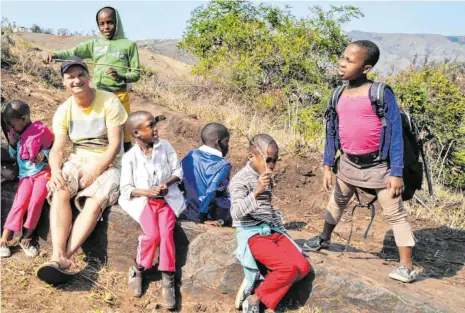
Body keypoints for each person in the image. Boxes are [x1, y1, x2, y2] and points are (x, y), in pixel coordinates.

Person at [304, 40, 417, 283]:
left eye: (350, 61)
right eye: (343, 57)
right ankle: (324, 238)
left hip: (379, 166)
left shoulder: (380, 93)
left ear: (366, 68)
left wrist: (396, 172)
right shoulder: (338, 94)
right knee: (337, 200)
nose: (342, 63)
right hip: (347, 163)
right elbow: (331, 131)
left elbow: (395, 133)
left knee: (395, 213)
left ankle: (407, 265)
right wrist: (327, 164)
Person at [36, 56, 127, 285]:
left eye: (80, 75)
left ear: (89, 76)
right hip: (79, 158)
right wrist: (55, 170)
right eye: (70, 77)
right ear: (63, 82)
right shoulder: (64, 110)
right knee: (59, 189)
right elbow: (57, 148)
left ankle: (67, 256)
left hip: (109, 161)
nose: (76, 81)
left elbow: (115, 145)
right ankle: (57, 255)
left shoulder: (109, 102)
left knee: (95, 200)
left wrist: (97, 169)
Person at [230, 134, 311, 313]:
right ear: (252, 157)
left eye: (274, 160)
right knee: (287, 269)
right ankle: (254, 299)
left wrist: (286, 238)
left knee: (303, 267)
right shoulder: (240, 180)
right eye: (268, 160)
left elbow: (269, 210)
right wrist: (256, 192)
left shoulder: (266, 176)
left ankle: (264, 282)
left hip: (271, 230)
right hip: (252, 232)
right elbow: (235, 213)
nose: (272, 166)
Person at [41, 6, 140, 152]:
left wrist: (121, 76)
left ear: (117, 22)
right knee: (101, 133)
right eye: (102, 23)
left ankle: (126, 166)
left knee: (123, 135)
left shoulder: (129, 45)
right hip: (98, 96)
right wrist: (53, 55)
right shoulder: (94, 44)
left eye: (110, 22)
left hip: (120, 96)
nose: (106, 27)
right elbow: (73, 52)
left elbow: (136, 74)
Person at [119, 111, 184, 309]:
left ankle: (168, 279)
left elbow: (177, 171)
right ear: (137, 133)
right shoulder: (130, 157)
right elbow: (126, 188)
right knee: (153, 235)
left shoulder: (165, 147)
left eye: (155, 124)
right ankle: (138, 268)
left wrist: (166, 184)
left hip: (166, 201)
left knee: (166, 234)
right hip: (143, 202)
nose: (156, 129)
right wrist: (147, 192)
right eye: (150, 126)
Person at [0, 100, 53, 258]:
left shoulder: (41, 130)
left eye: (12, 124)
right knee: (20, 202)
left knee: (36, 201)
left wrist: (45, 154)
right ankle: (4, 239)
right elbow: (12, 154)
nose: (10, 128)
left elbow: (53, 147)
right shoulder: (14, 133)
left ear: (23, 119)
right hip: (25, 175)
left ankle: (27, 238)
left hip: (43, 172)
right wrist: (12, 144)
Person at [181, 122, 232, 226]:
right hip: (206, 214)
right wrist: (202, 218)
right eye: (226, 141)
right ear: (218, 142)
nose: (228, 145)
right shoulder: (223, 164)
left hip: (187, 209)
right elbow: (211, 191)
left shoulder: (190, 155)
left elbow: (179, 182)